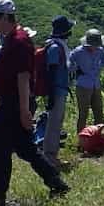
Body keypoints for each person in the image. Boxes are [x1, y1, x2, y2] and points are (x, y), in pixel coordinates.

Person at [0, 0, 68, 206]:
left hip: (14, 103)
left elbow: (23, 76)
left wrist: (24, 110)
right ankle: (56, 183)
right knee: (26, 149)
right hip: (12, 102)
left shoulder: (18, 41)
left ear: (6, 17)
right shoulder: (12, 38)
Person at [41, 15, 75, 162]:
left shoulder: (57, 46)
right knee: (54, 123)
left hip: (59, 89)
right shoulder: (55, 47)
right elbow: (52, 70)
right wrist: (51, 94)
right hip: (56, 89)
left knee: (56, 122)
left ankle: (52, 154)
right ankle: (49, 156)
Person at [68, 29, 104, 133]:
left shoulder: (100, 50)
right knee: (83, 114)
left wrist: (99, 68)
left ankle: (98, 137)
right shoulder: (78, 51)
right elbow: (69, 64)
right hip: (83, 85)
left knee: (99, 112)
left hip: (96, 84)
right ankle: (82, 138)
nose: (94, 47)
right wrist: (76, 69)